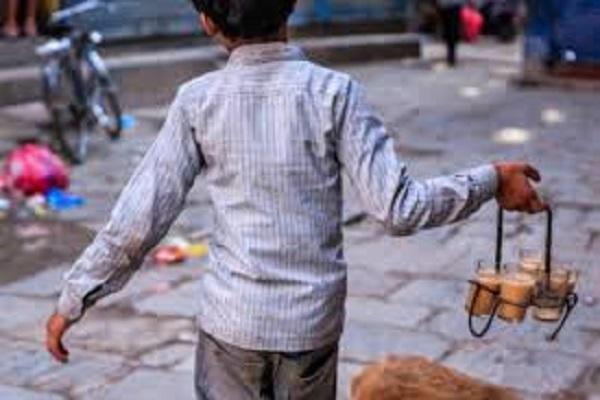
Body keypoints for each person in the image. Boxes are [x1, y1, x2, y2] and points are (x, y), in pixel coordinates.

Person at [45, 0, 546, 398]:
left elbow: (140, 217)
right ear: (293, 6)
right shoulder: (335, 93)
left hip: (231, 326)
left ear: (206, 22)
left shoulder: (198, 100)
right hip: (310, 328)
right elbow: (399, 208)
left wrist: (75, 298)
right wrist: (490, 179)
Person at [438, 0, 466, 66]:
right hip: (450, 5)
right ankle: (451, 56)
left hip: (449, 5)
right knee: (451, 30)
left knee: (450, 30)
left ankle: (451, 56)